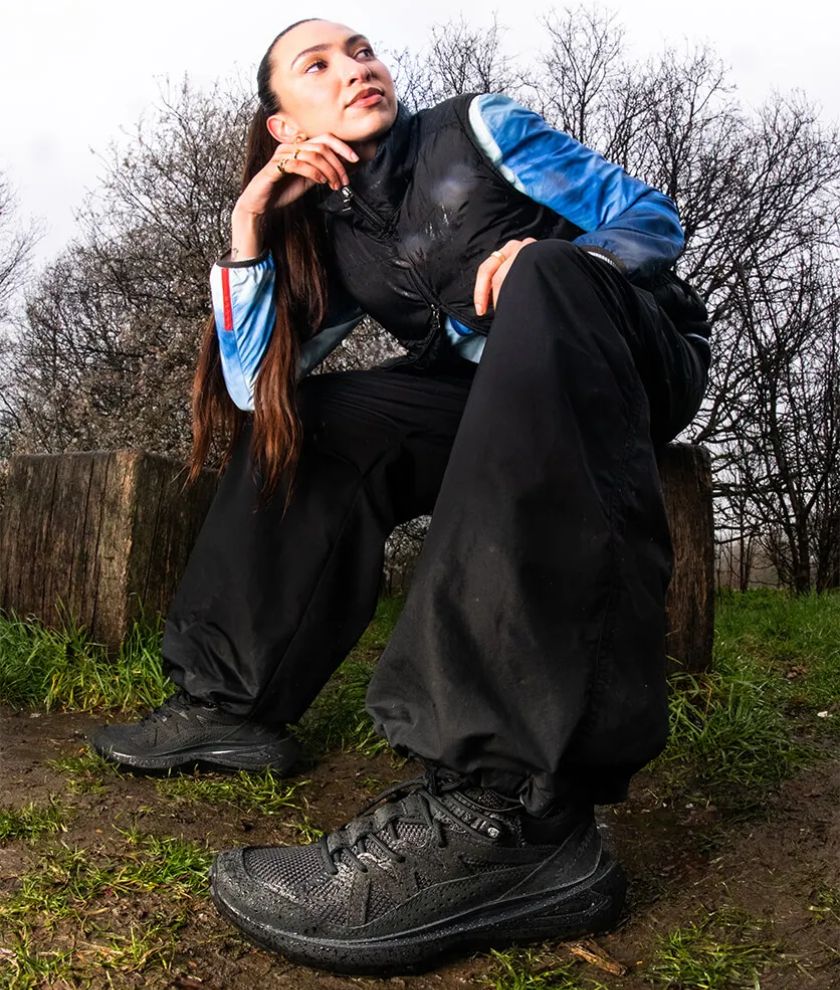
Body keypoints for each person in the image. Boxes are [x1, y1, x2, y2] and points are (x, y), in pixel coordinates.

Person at [91, 17, 709, 974]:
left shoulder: (477, 128)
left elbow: (651, 221)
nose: (356, 69)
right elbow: (254, 386)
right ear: (282, 123)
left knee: (546, 273)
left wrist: (567, 261)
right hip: (485, 392)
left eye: (363, 51)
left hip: (617, 347)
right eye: (318, 65)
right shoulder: (334, 231)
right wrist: (251, 222)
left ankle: (511, 807)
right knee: (317, 417)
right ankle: (229, 698)